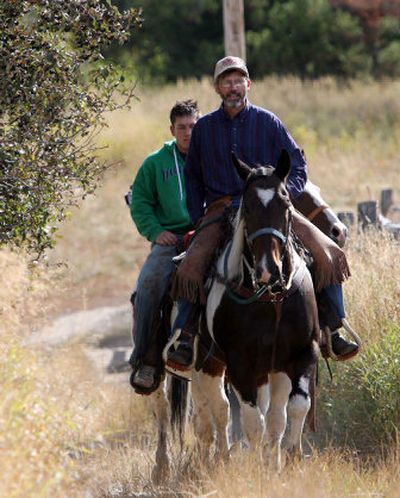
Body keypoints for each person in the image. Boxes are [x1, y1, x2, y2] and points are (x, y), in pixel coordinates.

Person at [166, 56, 359, 372]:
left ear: (248, 84)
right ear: (217, 87)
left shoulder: (269, 122)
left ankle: (333, 329)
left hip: (270, 208)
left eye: (238, 80)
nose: (233, 87)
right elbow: (193, 178)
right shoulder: (204, 129)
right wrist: (198, 218)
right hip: (222, 208)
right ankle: (186, 337)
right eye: (227, 81)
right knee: (191, 262)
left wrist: (282, 196)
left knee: (327, 251)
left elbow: (298, 166)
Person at [128, 100, 200, 392]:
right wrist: (156, 231)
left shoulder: (212, 155)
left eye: (192, 126)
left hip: (209, 234)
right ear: (172, 129)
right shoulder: (155, 162)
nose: (187, 133)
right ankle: (146, 360)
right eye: (181, 127)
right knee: (148, 284)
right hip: (172, 239)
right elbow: (141, 202)